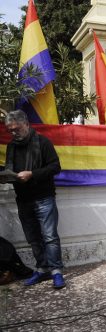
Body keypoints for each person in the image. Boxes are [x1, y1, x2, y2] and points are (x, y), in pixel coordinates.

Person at [1, 110, 65, 288]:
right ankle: (42, 269)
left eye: (16, 129)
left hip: (44, 197)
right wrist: (6, 176)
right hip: (23, 199)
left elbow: (55, 167)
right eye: (10, 130)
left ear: (26, 124)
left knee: (50, 237)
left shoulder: (43, 142)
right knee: (33, 238)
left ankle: (56, 271)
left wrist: (32, 174)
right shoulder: (12, 146)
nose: (13, 133)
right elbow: (9, 168)